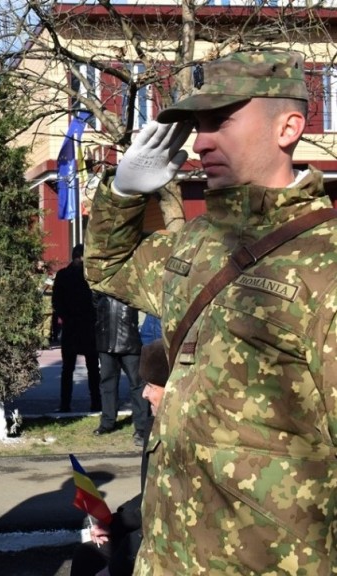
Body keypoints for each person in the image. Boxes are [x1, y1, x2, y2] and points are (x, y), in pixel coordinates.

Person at [84, 49, 336, 574]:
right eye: (198, 125)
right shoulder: (196, 244)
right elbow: (107, 268)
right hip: (168, 557)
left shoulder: (325, 261)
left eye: (220, 121)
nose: (201, 142)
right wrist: (123, 192)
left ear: (288, 127)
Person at [70, 340, 170, 576]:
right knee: (88, 555)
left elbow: (166, 514)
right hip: (150, 535)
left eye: (152, 386)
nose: (144, 394)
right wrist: (111, 524)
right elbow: (150, 495)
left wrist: (117, 567)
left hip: (171, 548)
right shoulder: (157, 425)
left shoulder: (187, 440)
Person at [92, 293, 149, 446]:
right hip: (106, 339)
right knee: (107, 383)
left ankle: (142, 427)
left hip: (129, 340)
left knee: (137, 384)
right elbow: (94, 301)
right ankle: (107, 422)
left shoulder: (128, 280)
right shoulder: (100, 283)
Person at [52, 244, 100, 412]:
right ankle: (96, 402)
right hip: (86, 326)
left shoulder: (63, 275)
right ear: (80, 257)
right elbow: (96, 301)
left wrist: (66, 317)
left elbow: (56, 302)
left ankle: (66, 404)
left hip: (72, 327)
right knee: (92, 367)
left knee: (69, 369)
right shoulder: (88, 276)